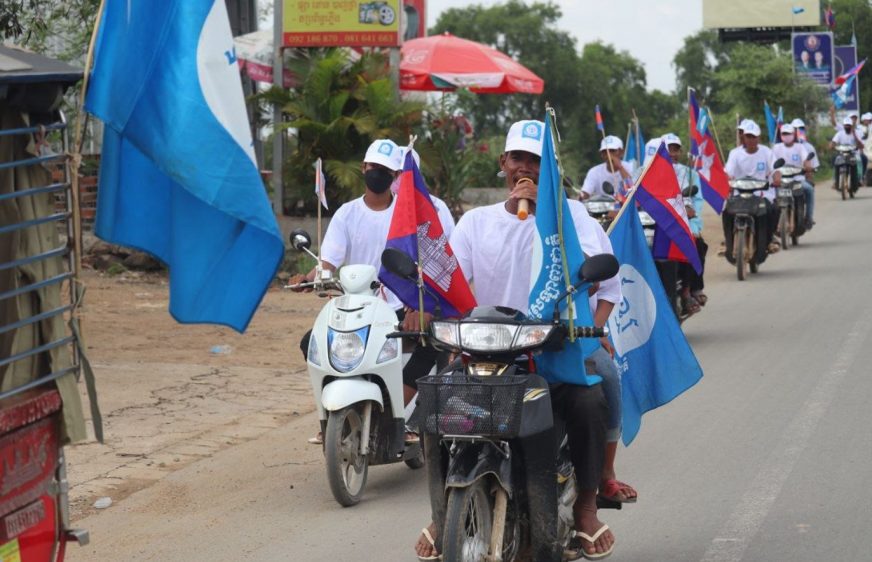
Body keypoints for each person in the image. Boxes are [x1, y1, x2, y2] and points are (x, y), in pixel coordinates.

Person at [415, 120, 622, 561]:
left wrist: (543, 222)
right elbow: (453, 284)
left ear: (549, 171)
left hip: (552, 350)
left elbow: (603, 280)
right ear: (503, 164)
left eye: (536, 161)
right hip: (485, 349)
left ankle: (586, 507)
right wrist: (436, 316)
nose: (525, 168)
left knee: (590, 402)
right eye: (518, 159)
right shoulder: (475, 222)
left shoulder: (573, 218)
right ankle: (441, 513)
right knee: (434, 403)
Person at [290, 139, 454, 444]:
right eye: (372, 167)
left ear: (395, 177)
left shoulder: (410, 215)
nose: (376, 174)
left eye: (385, 170)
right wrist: (309, 278)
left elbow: (428, 262)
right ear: (364, 168)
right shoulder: (347, 214)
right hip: (355, 305)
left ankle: (396, 412)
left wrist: (416, 304)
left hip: (399, 305)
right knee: (311, 344)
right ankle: (335, 412)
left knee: (430, 342)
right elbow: (328, 262)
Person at [723, 119, 782, 261]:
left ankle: (769, 240)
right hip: (740, 195)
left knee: (774, 209)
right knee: (726, 212)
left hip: (762, 194)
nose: (750, 140)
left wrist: (777, 178)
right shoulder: (735, 154)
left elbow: (776, 170)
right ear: (743, 137)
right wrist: (726, 181)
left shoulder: (767, 152)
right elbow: (728, 172)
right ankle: (728, 243)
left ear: (758, 138)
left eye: (753, 136)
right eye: (748, 136)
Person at [664, 133, 708, 311]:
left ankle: (688, 291)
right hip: (658, 224)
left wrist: (694, 225)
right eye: (668, 150)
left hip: (683, 222)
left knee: (696, 244)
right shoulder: (649, 172)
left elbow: (696, 202)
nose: (672, 154)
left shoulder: (689, 174)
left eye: (675, 150)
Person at [772, 124, 816, 229]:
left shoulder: (800, 147)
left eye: (789, 133)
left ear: (794, 135)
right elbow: (771, 162)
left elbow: (806, 160)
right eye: (784, 133)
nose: (787, 136)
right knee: (769, 198)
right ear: (781, 135)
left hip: (797, 180)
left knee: (809, 189)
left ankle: (808, 218)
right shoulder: (776, 148)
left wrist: (808, 167)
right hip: (780, 180)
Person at [580, 135, 634, 200]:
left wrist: (620, 167)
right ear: (601, 155)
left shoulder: (631, 167)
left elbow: (633, 190)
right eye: (605, 152)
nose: (608, 155)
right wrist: (581, 196)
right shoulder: (594, 172)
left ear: (621, 152)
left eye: (612, 151)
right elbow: (585, 193)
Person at [829, 116, 865, 191]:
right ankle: (836, 181)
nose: (847, 127)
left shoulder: (856, 133)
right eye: (846, 125)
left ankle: (858, 180)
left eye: (849, 125)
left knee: (858, 161)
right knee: (836, 161)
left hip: (853, 154)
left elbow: (861, 145)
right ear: (844, 126)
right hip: (842, 154)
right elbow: (833, 142)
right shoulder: (840, 133)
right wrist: (832, 145)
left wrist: (855, 136)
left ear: (851, 126)